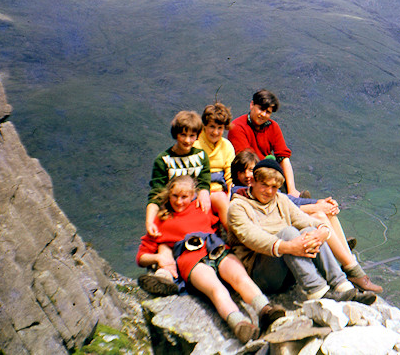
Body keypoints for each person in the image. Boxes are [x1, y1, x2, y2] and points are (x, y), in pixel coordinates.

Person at [136, 175, 285, 344]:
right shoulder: (161, 220)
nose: (179, 201)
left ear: (193, 194)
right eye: (175, 196)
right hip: (190, 259)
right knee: (216, 289)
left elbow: (222, 196)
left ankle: (265, 310)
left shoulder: (202, 206)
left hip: (217, 248)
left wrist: (206, 193)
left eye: (184, 197)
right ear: (168, 195)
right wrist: (158, 258)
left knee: (240, 278)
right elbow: (141, 257)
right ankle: (238, 323)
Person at [227, 159, 377, 304]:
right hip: (261, 273)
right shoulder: (238, 206)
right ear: (253, 181)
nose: (268, 191)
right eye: (264, 185)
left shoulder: (280, 199)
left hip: (287, 267)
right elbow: (253, 238)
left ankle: (343, 286)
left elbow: (303, 219)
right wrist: (290, 246)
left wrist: (323, 230)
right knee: (289, 233)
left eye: (274, 187)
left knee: (310, 230)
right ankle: (318, 291)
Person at [145, 110, 211, 237]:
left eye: (192, 135)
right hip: (172, 205)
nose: (187, 140)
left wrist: (204, 192)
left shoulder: (201, 156)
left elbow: (204, 182)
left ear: (197, 136)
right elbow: (157, 193)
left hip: (193, 204)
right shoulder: (163, 160)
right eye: (183, 135)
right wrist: (149, 221)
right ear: (176, 135)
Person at [228, 89, 301, 197]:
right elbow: (246, 162)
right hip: (248, 178)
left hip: (268, 175)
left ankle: (293, 198)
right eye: (261, 109)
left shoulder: (273, 127)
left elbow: (283, 157)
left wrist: (292, 190)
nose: (263, 114)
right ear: (252, 105)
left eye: (268, 112)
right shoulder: (237, 127)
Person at [193, 102, 236, 230]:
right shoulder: (196, 146)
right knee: (221, 199)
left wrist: (230, 191)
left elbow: (230, 174)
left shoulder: (227, 146)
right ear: (204, 126)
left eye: (220, 128)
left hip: (222, 189)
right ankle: (234, 236)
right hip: (202, 190)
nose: (216, 132)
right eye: (212, 127)